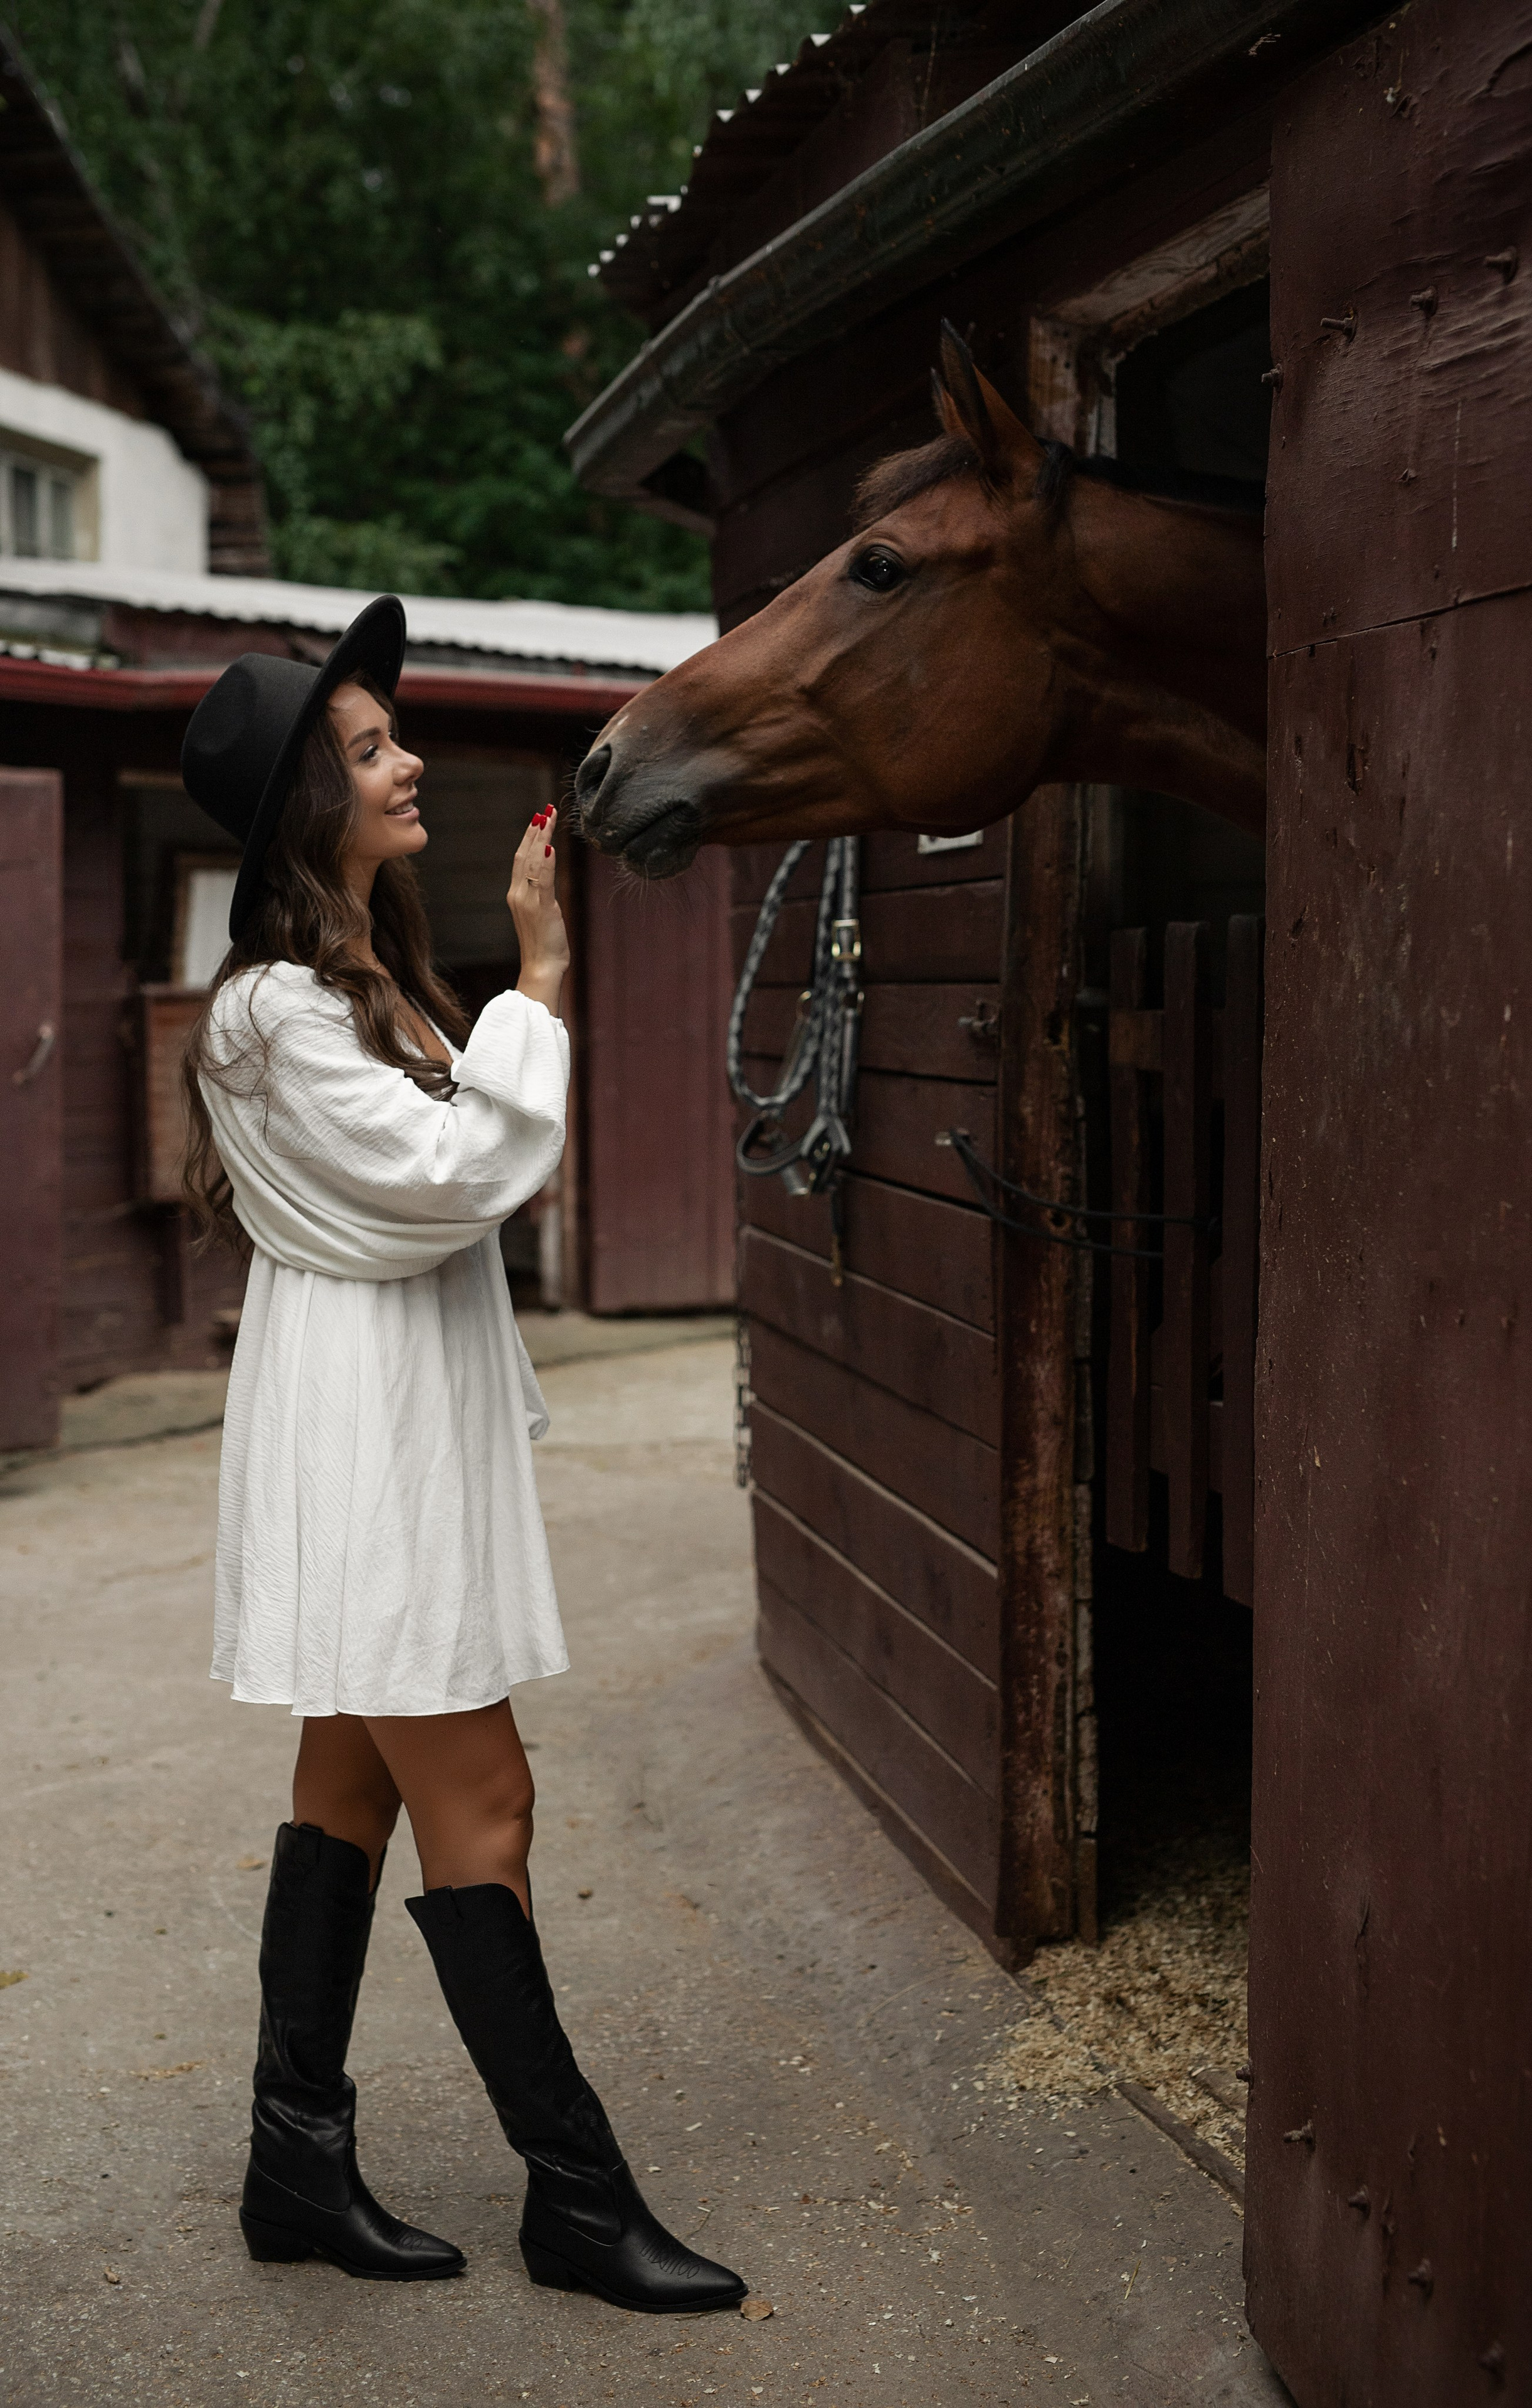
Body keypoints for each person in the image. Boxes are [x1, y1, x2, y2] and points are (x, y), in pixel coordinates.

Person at [177, 595, 745, 2315]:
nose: (407, 758)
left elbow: (451, 1165)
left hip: (382, 1410)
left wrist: (499, 1000)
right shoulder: (275, 1009)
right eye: (370, 752)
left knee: (349, 1782)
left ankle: (295, 2161)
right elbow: (452, 1186)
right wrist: (549, 977)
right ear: (305, 808)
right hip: (366, 1436)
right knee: (482, 1799)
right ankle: (574, 2200)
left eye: (391, 736)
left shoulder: (346, 984)